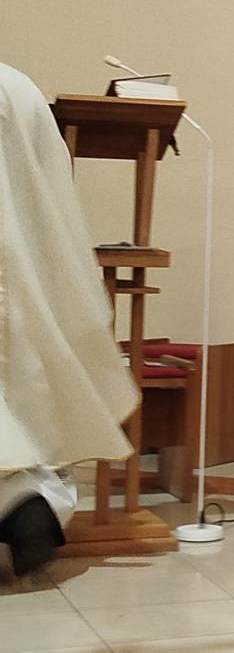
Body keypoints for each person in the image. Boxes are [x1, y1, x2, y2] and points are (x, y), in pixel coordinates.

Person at [0, 61, 140, 574]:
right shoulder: (16, 85)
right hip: (19, 275)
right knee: (23, 373)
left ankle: (19, 499)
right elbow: (53, 200)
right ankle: (27, 499)